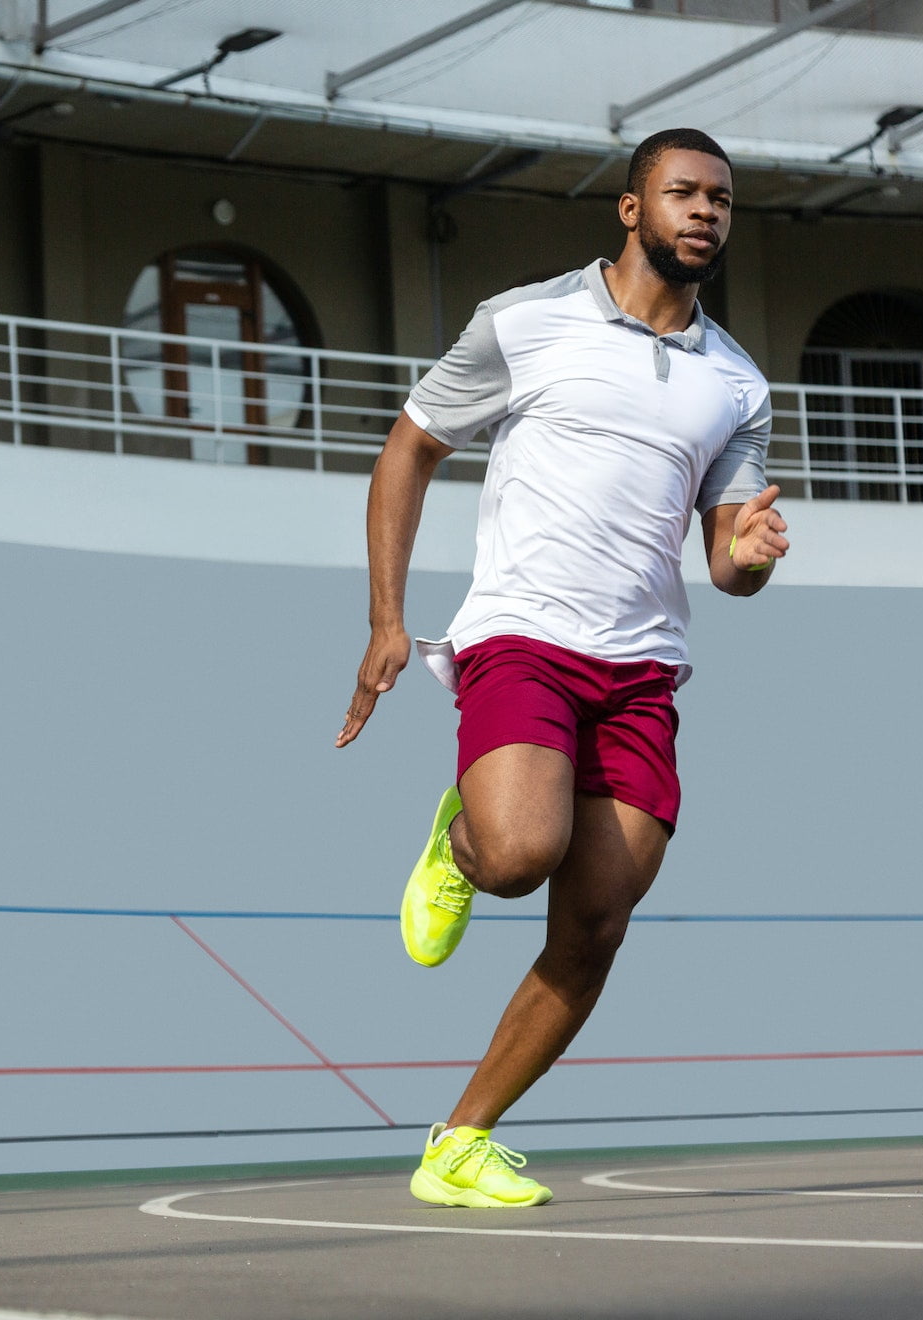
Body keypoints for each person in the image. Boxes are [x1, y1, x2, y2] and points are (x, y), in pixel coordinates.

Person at [334, 127, 789, 1209]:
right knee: (519, 852)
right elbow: (409, 446)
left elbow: (725, 561)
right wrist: (386, 619)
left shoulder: (735, 384)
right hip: (523, 639)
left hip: (641, 672)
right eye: (681, 192)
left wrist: (750, 557)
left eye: (719, 199)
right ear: (630, 210)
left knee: (596, 920)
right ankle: (460, 839)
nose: (703, 212)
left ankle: (458, 1141)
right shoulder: (524, 321)